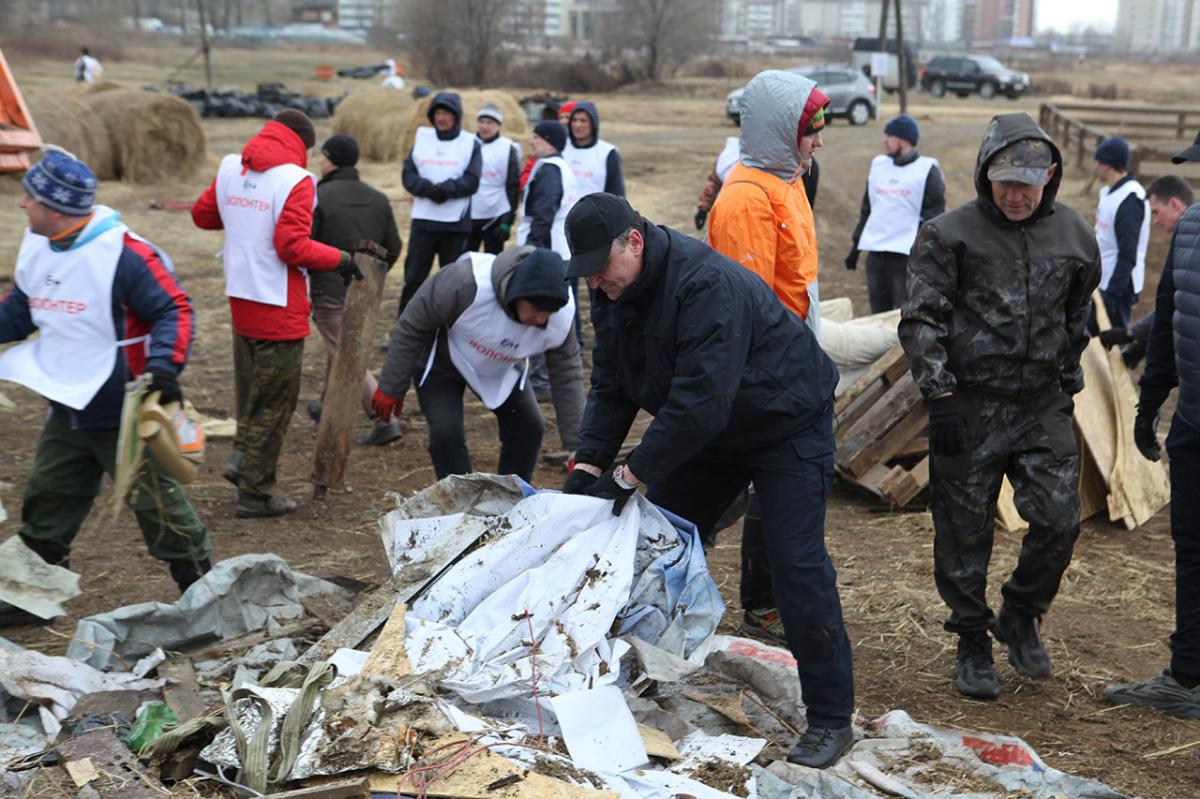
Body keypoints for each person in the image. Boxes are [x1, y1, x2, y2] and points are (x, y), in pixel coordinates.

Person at [561, 193, 855, 769]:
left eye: (602, 268)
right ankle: (632, 672)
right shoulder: (612, 289)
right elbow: (612, 383)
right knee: (655, 545)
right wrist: (588, 466)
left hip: (784, 422)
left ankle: (829, 717)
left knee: (794, 564)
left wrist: (629, 474)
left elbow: (699, 403)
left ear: (635, 241)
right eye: (588, 272)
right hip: (714, 433)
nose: (595, 282)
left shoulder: (704, 285)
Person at [899, 114, 1101, 700]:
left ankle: (1021, 612)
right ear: (985, 173)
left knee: (1061, 520)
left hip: (1041, 403)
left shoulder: (1075, 236)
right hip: (967, 405)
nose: (1014, 194)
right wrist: (938, 395)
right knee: (962, 532)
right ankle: (971, 640)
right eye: (1003, 181)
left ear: (1051, 177)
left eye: (1027, 183)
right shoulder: (949, 234)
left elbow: (1076, 315)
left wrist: (1066, 382)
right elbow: (920, 319)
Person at [0, 150, 211, 624]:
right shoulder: (38, 244)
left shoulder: (126, 254)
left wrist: (165, 367)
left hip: (124, 406)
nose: (20, 205)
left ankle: (206, 594)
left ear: (54, 207)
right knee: (49, 495)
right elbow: (19, 312)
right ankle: (32, 597)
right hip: (67, 404)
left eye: (28, 197)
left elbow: (174, 308)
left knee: (156, 504)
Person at [706, 68, 829, 644]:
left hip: (792, 363)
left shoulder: (787, 181)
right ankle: (663, 581)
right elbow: (750, 306)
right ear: (783, 130)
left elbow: (796, 282)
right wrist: (780, 379)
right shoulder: (745, 201)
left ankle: (761, 604)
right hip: (765, 375)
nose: (819, 142)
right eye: (811, 131)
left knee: (762, 493)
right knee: (713, 496)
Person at [192, 110, 358, 518]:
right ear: (302, 145)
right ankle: (254, 487)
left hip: (240, 297)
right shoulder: (296, 180)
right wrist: (340, 259)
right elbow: (292, 247)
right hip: (278, 303)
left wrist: (242, 218)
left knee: (254, 392)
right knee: (276, 402)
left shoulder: (232, 167)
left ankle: (243, 463)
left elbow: (203, 215)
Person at [1106, 132, 1200, 720]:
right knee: (1192, 550)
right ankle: (1186, 677)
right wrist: (1150, 404)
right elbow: (1168, 317)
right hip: (1193, 422)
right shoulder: (1189, 230)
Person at [372, 246, 584, 483]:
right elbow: (413, 323)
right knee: (446, 433)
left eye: (550, 313)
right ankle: (461, 503)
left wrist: (578, 447)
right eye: (537, 310)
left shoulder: (562, 316)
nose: (543, 319)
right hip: (444, 359)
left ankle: (509, 500)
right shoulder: (464, 282)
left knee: (529, 426)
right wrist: (391, 386)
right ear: (517, 294)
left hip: (502, 365)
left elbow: (567, 373)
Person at [308, 133, 404, 446]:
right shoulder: (378, 197)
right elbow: (394, 246)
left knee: (346, 352)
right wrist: (373, 276)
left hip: (328, 287)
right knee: (340, 345)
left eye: (322, 156)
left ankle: (384, 419)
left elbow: (306, 244)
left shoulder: (318, 196)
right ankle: (326, 405)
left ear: (331, 160)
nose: (319, 162)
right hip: (366, 289)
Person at [846, 114, 946, 313]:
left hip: (904, 259)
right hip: (876, 256)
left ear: (903, 139)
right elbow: (868, 209)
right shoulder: (879, 165)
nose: (884, 140)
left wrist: (923, 256)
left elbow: (933, 217)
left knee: (906, 315)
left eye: (889, 136)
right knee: (878, 318)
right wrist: (855, 248)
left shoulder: (927, 171)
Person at [1098, 175, 1195, 368]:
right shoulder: (1184, 242)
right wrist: (1134, 338)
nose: (1154, 222)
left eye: (1156, 212)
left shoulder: (1193, 245)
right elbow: (1173, 303)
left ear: (1175, 205)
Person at [399, 92, 482, 314]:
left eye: (447, 113)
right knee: (414, 279)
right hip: (423, 222)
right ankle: (405, 327)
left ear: (456, 117)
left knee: (453, 282)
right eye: (437, 113)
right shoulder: (422, 137)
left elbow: (472, 181)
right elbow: (408, 174)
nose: (441, 118)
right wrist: (426, 189)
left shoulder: (470, 142)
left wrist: (444, 191)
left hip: (455, 224)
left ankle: (449, 329)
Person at [1092, 136, 1149, 330]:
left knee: (1113, 342)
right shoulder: (1107, 193)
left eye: (1098, 162)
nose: (1095, 166)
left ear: (1108, 165)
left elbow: (1127, 254)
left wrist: (1112, 297)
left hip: (1118, 287)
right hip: (1103, 281)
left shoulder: (1130, 200)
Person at [517, 121, 578, 261]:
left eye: (536, 137)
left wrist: (531, 246)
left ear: (550, 142)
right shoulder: (560, 167)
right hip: (557, 249)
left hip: (548, 251)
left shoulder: (550, 170)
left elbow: (544, 212)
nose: (531, 142)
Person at [467, 105, 520, 255]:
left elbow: (513, 185)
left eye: (490, 122)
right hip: (469, 214)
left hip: (496, 215)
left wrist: (507, 221)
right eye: (482, 121)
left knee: (492, 260)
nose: (485, 126)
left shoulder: (508, 148)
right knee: (466, 260)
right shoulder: (467, 143)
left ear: (498, 125)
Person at [562, 102, 625, 198]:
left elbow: (616, 193)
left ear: (593, 123)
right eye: (574, 120)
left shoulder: (608, 152)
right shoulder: (561, 147)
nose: (577, 125)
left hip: (593, 212)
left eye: (583, 121)